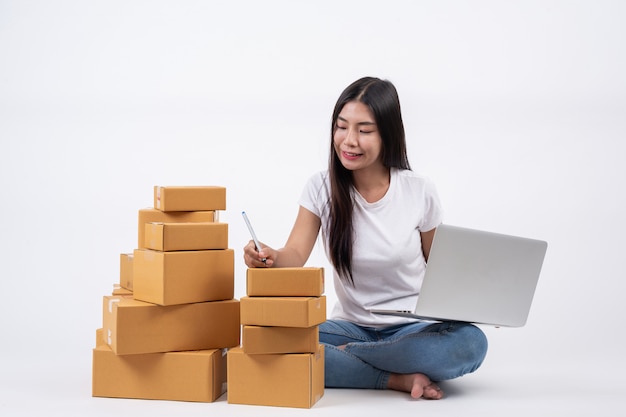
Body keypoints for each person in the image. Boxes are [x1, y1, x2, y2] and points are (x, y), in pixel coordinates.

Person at [243, 76, 488, 400]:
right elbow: (295, 254)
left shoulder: (418, 191)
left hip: (414, 329)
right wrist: (270, 256)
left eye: (364, 130)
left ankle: (349, 356)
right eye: (341, 127)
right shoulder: (321, 188)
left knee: (471, 344)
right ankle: (396, 379)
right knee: (268, 336)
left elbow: (441, 269)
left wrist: (480, 304)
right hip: (349, 326)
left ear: (388, 134)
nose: (349, 140)